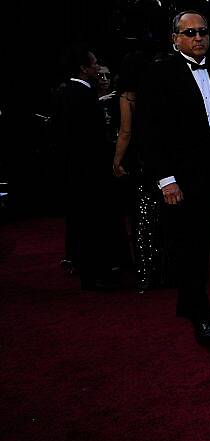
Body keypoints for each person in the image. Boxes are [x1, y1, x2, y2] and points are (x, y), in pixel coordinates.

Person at [138, 12, 210, 346]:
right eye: (190, 32)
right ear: (175, 38)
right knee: (188, 247)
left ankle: (192, 302)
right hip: (178, 181)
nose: (198, 37)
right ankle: (200, 315)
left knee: (202, 243)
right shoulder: (159, 74)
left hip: (209, 178)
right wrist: (165, 180)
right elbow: (149, 132)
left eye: (203, 32)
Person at [51, 46, 120, 290]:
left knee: (81, 221)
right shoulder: (82, 94)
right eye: (93, 63)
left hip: (74, 169)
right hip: (88, 171)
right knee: (91, 223)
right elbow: (90, 138)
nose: (96, 67)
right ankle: (94, 276)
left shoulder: (65, 92)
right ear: (83, 68)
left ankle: (86, 268)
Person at [113, 51, 166, 292]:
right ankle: (164, 268)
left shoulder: (128, 97)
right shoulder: (157, 93)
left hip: (139, 161)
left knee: (142, 219)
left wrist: (116, 160)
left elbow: (125, 132)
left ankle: (146, 273)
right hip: (158, 158)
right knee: (160, 216)